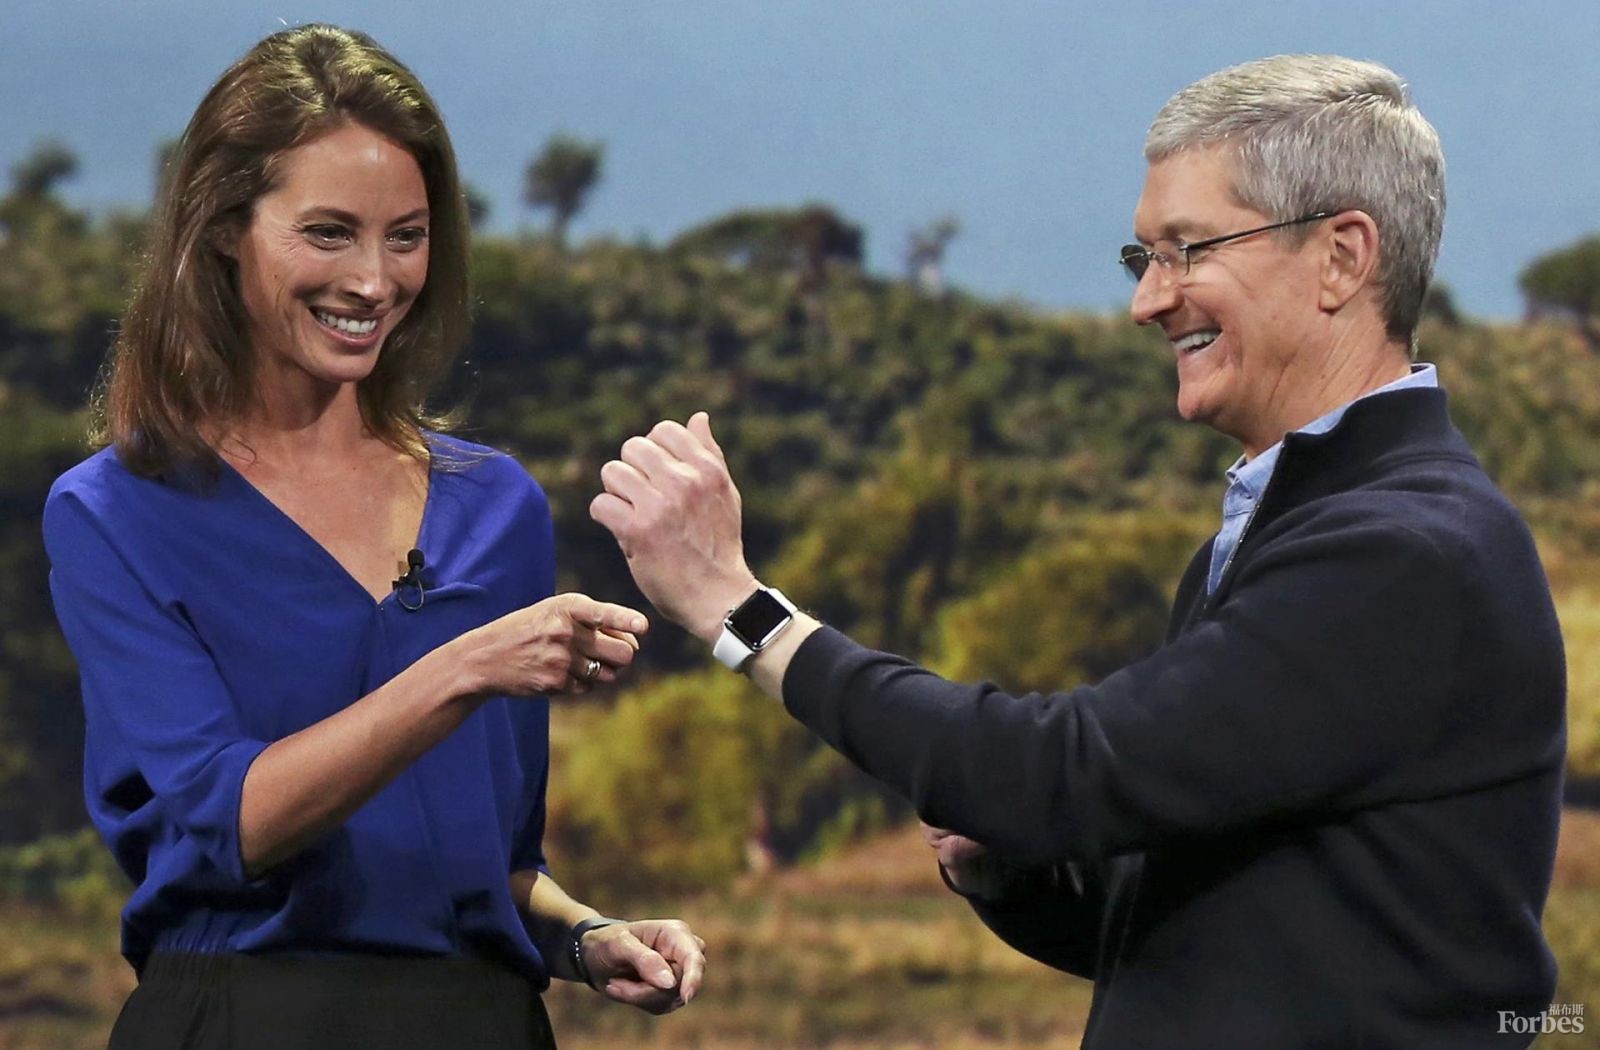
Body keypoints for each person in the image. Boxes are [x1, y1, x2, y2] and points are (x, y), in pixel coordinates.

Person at [591, 54, 1565, 1048]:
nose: (1149, 301)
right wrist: (1010, 869)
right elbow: (1193, 934)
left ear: (1342, 257)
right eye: (1144, 258)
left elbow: (1059, 773)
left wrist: (737, 608)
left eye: (1188, 250)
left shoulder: (1402, 554)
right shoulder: (1303, 535)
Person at [44, 25, 702, 1050]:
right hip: (246, 1021)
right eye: (329, 233)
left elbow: (495, 863)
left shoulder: (497, 508)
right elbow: (234, 822)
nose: (373, 280)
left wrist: (582, 937)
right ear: (223, 229)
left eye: (406, 236)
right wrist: (463, 667)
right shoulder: (117, 513)